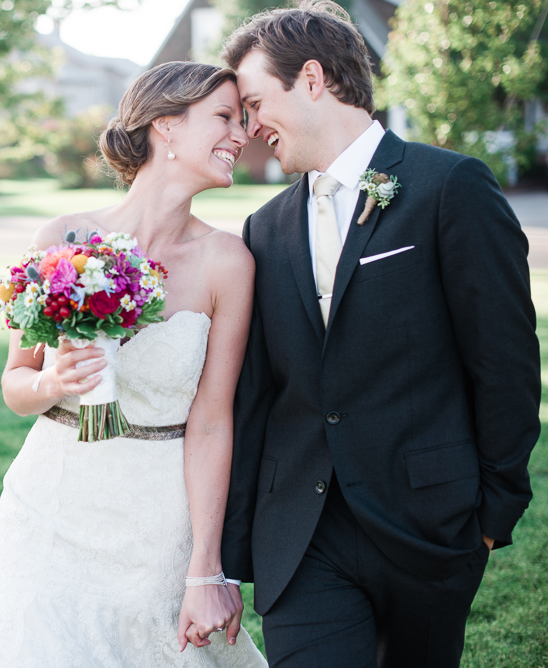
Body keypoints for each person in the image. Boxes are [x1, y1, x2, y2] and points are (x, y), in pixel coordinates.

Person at [218, 2, 542, 666]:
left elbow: (505, 362)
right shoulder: (265, 228)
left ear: (311, 79)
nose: (250, 129)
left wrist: (490, 516)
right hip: (302, 538)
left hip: (428, 526)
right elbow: (256, 395)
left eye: (254, 103)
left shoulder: (447, 187)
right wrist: (234, 546)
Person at [0, 62, 267, 667]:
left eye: (243, 120)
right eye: (224, 118)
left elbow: (212, 422)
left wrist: (205, 569)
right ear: (167, 126)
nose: (243, 134)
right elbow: (15, 384)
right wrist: (53, 380)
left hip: (156, 525)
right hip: (49, 505)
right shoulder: (64, 236)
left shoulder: (227, 262)